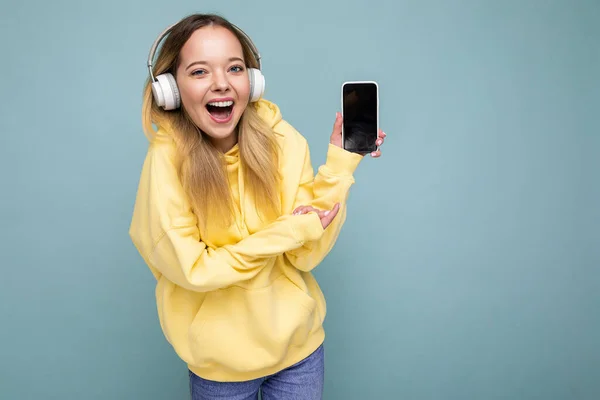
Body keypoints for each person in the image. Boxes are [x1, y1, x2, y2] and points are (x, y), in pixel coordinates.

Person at [129, 13, 385, 400]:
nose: (221, 84)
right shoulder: (166, 163)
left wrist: (340, 164)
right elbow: (194, 270)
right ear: (170, 88)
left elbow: (306, 251)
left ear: (252, 80)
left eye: (234, 68)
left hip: (300, 354)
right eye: (199, 72)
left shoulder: (281, 138)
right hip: (221, 371)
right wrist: (287, 231)